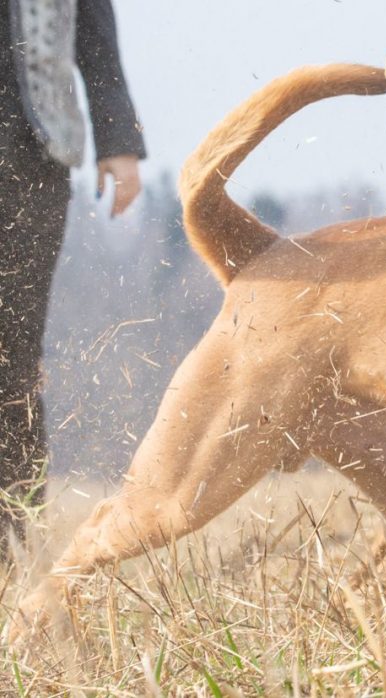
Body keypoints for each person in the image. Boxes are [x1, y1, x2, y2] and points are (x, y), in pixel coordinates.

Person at [1, 0, 145, 554]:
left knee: (11, 352)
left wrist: (118, 138)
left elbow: (93, 28)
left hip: (28, 155)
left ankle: (13, 539)